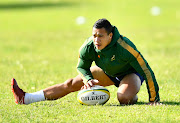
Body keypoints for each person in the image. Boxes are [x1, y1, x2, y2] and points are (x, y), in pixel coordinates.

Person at [11, 18, 160, 105]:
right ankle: (26, 98)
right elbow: (82, 67)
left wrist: (154, 99)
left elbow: (145, 70)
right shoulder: (89, 46)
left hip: (130, 74)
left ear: (110, 35)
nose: (96, 39)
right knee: (71, 83)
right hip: (108, 72)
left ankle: (132, 94)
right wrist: (88, 79)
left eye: (100, 36)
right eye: (94, 35)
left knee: (123, 98)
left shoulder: (124, 47)